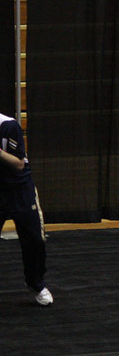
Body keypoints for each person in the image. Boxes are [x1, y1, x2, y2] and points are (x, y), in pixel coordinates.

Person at [0, 110, 52, 306]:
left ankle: (36, 283)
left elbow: (19, 164)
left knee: (35, 241)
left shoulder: (8, 125)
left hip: (19, 189)